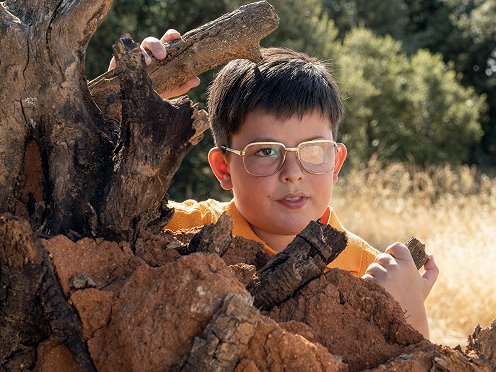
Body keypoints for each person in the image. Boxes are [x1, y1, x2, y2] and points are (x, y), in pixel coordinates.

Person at [113, 30, 439, 338]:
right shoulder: (184, 229)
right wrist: (119, 103)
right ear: (223, 168)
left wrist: (408, 315)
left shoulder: (368, 272)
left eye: (313, 149)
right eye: (267, 151)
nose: (293, 172)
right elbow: (98, 224)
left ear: (336, 163)